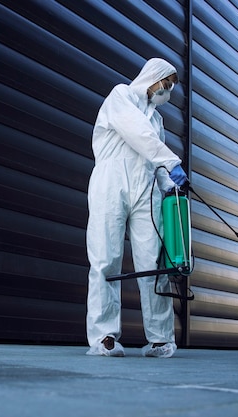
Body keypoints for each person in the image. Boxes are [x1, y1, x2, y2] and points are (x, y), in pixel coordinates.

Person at [85, 58, 188, 358]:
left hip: (146, 189)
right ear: (152, 78)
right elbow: (135, 133)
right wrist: (171, 160)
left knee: (153, 264)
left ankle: (160, 339)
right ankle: (104, 336)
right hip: (111, 183)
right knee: (105, 258)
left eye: (170, 88)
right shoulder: (121, 96)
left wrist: (168, 182)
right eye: (165, 85)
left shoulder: (157, 120)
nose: (167, 92)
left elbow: (154, 160)